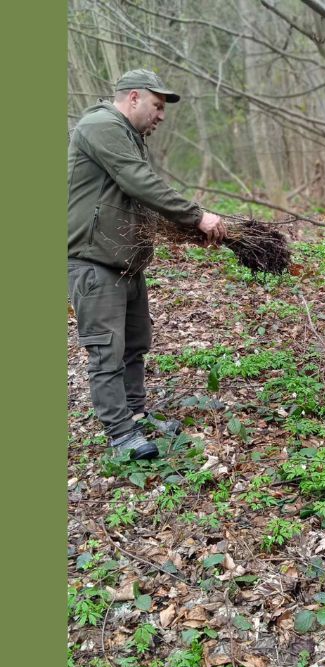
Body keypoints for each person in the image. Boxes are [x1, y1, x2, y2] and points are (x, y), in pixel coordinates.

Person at [68, 69, 227, 461]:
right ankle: (121, 435)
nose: (161, 116)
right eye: (157, 106)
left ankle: (136, 414)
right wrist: (196, 216)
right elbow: (138, 181)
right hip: (95, 262)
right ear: (134, 97)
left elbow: (136, 198)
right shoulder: (101, 126)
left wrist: (186, 229)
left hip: (125, 263)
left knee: (134, 345)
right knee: (107, 351)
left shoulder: (128, 136)